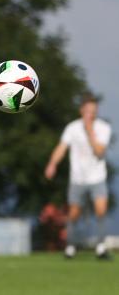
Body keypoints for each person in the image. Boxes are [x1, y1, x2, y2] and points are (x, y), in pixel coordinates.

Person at [44, 95, 112, 260]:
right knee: (73, 214)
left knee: (101, 211)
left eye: (93, 112)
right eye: (88, 111)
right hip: (77, 179)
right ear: (81, 111)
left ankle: (101, 248)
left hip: (97, 177)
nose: (91, 114)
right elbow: (62, 147)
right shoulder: (72, 128)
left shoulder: (103, 128)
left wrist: (90, 133)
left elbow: (99, 151)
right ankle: (70, 247)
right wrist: (52, 163)